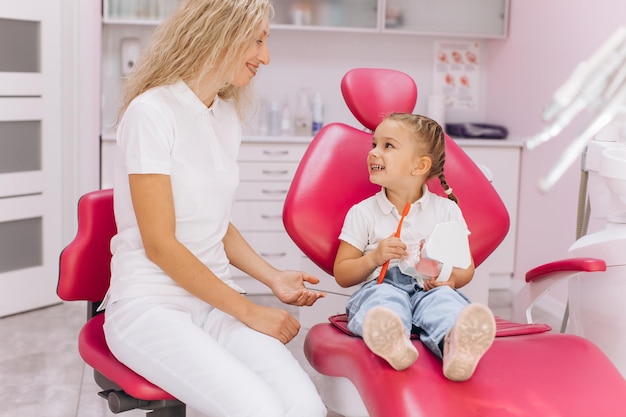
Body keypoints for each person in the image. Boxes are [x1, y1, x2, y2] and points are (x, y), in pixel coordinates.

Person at [101, 1, 327, 416]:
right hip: (150, 307)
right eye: (257, 41)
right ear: (218, 34)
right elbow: (161, 245)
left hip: (213, 304)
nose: (266, 56)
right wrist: (251, 312)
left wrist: (273, 277)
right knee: (261, 410)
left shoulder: (224, 116)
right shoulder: (152, 112)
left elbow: (214, 223)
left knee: (305, 410)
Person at [334, 113, 496, 381]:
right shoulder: (363, 213)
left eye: (388, 146)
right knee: (384, 302)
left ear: (419, 166)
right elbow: (342, 273)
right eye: (374, 144)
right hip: (382, 284)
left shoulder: (446, 211)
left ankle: (456, 347)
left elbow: (466, 268)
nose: (373, 153)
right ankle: (393, 342)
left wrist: (448, 280)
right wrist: (375, 257)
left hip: (428, 289)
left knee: (444, 304)